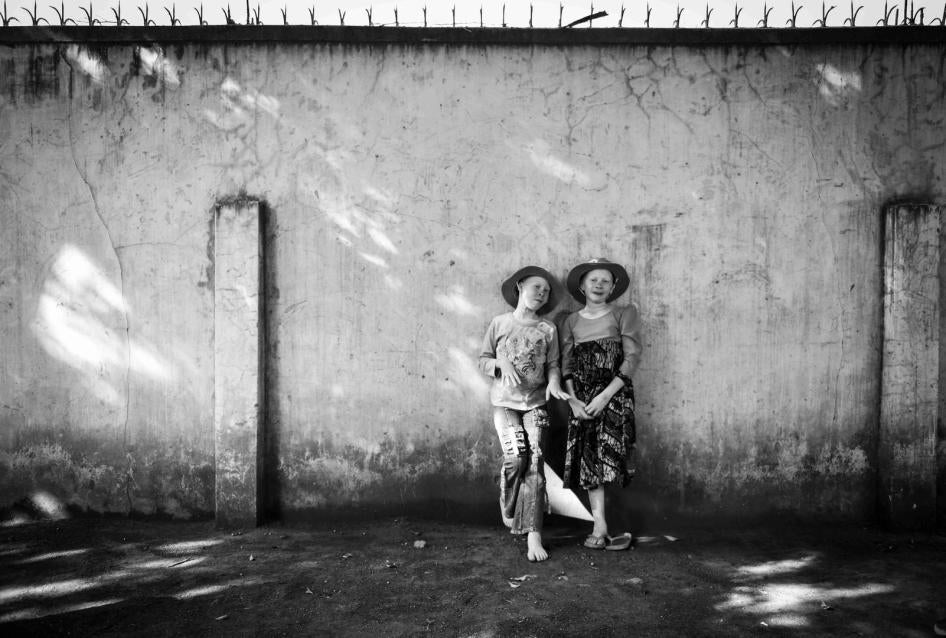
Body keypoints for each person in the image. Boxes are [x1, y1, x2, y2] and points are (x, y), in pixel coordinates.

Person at [479, 265, 571, 562]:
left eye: (546, 292)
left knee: (535, 462)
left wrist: (554, 381)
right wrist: (500, 364)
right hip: (505, 404)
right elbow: (483, 359)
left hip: (536, 404)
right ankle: (508, 504)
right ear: (520, 287)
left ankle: (534, 535)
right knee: (516, 457)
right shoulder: (500, 323)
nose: (541, 294)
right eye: (536, 287)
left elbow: (554, 364)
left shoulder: (548, 329)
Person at [560, 258, 642, 551]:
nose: (599, 285)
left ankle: (615, 524)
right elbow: (565, 364)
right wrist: (573, 401)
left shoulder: (624, 314)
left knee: (611, 455)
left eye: (605, 281)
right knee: (589, 460)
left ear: (613, 287)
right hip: (581, 400)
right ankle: (600, 525)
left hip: (614, 396)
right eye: (593, 280)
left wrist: (605, 396)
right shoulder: (569, 320)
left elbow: (632, 358)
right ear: (582, 285)